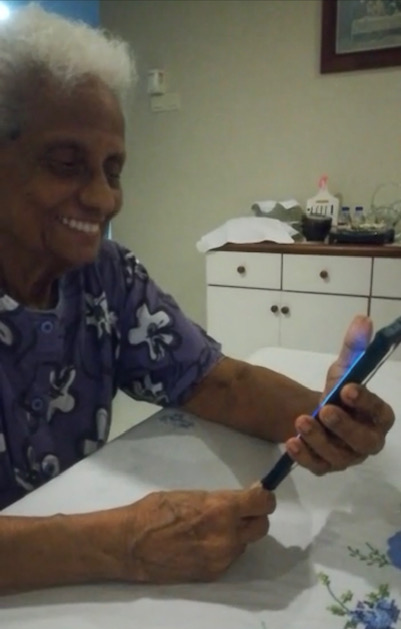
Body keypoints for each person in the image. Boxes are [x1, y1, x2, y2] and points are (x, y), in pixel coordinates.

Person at [0, 4, 395, 595]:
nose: (103, 199)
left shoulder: (104, 276)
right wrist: (122, 543)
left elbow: (217, 382)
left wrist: (329, 418)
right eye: (65, 163)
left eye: (113, 170)